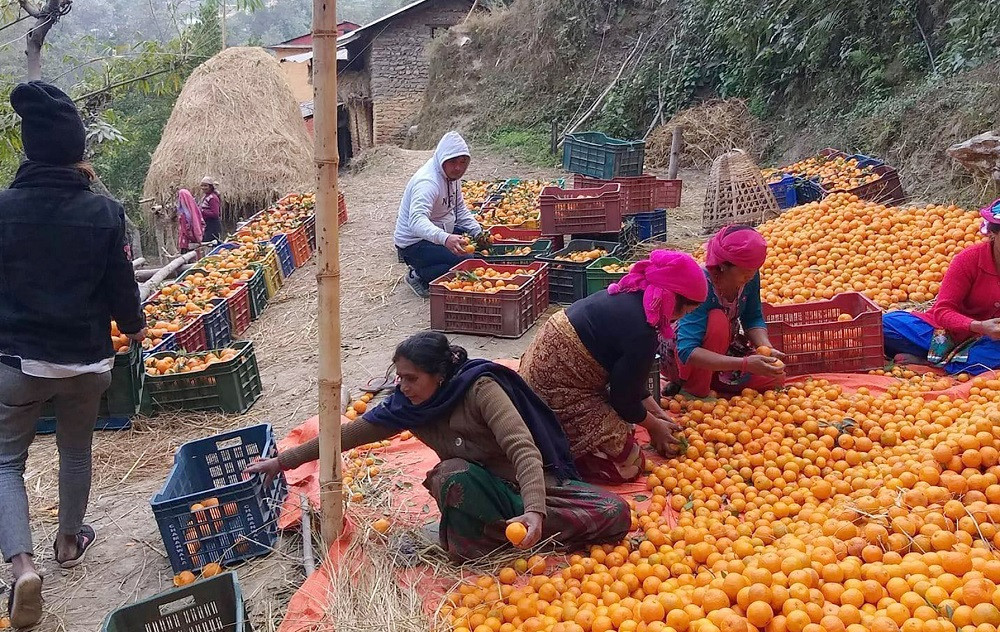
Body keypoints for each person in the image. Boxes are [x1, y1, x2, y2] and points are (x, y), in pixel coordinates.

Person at [245, 332, 630, 560]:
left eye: (412, 379)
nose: (402, 387)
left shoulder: (481, 389)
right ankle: (495, 534)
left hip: (527, 487)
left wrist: (534, 510)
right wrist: (282, 462)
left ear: (440, 376)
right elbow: (345, 436)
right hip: (479, 490)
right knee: (451, 473)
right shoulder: (406, 406)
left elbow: (523, 449)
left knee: (615, 511)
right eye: (399, 378)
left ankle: (510, 531)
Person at [0, 81, 145, 629]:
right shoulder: (105, 212)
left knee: (6, 462)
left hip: (16, 362)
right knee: (75, 451)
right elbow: (121, 289)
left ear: (30, 149)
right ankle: (67, 541)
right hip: (86, 363)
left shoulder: (3, 209)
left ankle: (21, 566)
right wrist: (133, 330)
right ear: (76, 151)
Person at [519, 250, 708, 484]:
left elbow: (630, 380)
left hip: (535, 375)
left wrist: (659, 416)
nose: (680, 319)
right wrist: (653, 426)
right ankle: (559, 454)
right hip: (552, 392)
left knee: (628, 425)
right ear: (673, 299)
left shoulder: (631, 297)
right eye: (687, 311)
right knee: (628, 463)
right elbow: (623, 400)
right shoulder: (643, 330)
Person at [667, 225, 785, 399]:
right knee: (717, 320)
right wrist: (744, 364)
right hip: (681, 358)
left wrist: (765, 347)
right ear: (723, 266)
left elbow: (752, 318)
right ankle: (693, 389)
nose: (751, 276)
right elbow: (687, 350)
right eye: (745, 271)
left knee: (775, 378)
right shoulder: (701, 285)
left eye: (754, 270)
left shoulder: (750, 278)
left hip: (723, 352)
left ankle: (715, 381)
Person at [882, 200, 1000, 374]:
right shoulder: (968, 260)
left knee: (990, 354)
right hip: (945, 333)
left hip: (989, 341)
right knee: (885, 324)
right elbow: (943, 311)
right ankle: (953, 362)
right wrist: (978, 326)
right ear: (992, 234)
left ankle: (933, 363)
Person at [394, 131, 483, 298]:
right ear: (442, 160)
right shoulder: (427, 182)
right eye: (452, 162)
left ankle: (430, 265)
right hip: (415, 242)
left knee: (473, 252)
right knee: (464, 260)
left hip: (437, 232)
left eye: (463, 162)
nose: (458, 167)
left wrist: (478, 231)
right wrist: (445, 239)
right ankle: (418, 275)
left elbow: (460, 209)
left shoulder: (452, 177)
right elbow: (416, 221)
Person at [176, 188, 205, 253]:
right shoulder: (182, 210)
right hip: (185, 241)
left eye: (180, 197)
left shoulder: (191, 213)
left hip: (190, 240)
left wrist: (198, 237)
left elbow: (196, 225)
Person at [199, 176, 223, 243]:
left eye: (205, 186)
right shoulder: (205, 197)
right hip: (206, 224)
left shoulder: (213, 198)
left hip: (212, 225)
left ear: (210, 187)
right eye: (202, 186)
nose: (203, 188)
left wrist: (202, 211)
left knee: (211, 243)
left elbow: (215, 214)